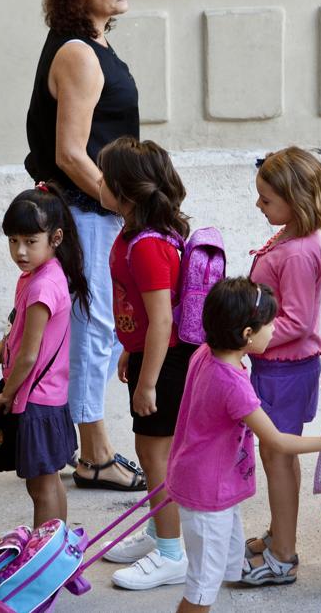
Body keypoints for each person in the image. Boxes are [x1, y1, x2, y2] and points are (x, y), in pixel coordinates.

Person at [24, 0, 145, 492]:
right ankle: (94, 454)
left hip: (87, 211)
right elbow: (70, 153)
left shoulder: (86, 45)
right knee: (95, 328)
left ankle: (89, 447)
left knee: (93, 326)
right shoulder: (78, 53)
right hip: (85, 211)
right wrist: (121, 204)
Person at [169, 278, 321, 612]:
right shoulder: (233, 384)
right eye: (269, 324)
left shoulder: (204, 354)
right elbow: (277, 441)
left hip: (208, 485)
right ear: (246, 334)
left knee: (217, 573)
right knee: (201, 589)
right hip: (208, 495)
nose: (274, 330)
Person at [96, 137, 196, 589]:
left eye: (104, 178)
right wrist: (129, 349)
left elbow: (163, 320)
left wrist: (147, 381)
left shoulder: (148, 247)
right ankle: (159, 532)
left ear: (127, 191)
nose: (98, 183)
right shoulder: (133, 233)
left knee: (157, 458)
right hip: (149, 356)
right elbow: (141, 312)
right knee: (149, 452)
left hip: (167, 363)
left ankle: (173, 555)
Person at [243, 146, 321, 586]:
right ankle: (279, 532)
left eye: (266, 199)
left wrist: (246, 338)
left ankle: (283, 554)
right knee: (275, 454)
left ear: (295, 201)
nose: (259, 205)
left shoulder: (299, 251)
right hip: (276, 369)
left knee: (279, 457)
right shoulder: (288, 238)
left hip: (285, 371)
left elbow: (297, 321)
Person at [0, 184, 90, 528]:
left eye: (30, 241)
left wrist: (7, 393)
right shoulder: (35, 276)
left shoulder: (42, 286)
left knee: (41, 487)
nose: (20, 251)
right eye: (13, 241)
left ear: (55, 238)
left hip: (36, 401)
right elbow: (15, 333)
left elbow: (28, 354)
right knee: (47, 482)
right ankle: (54, 553)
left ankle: (45, 557)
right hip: (41, 397)